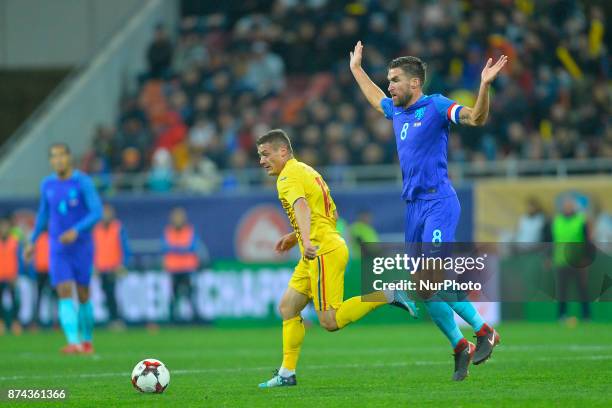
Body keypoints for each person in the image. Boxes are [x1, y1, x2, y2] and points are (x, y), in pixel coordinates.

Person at [350, 41, 504, 380]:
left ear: (414, 83)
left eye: (394, 80)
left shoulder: (435, 107)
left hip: (439, 203)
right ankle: (459, 345)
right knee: (423, 287)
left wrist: (484, 86)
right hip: (413, 208)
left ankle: (483, 331)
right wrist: (356, 70)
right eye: (388, 81)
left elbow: (476, 119)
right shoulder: (397, 110)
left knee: (429, 278)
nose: (389, 86)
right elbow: (376, 100)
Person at [256, 129, 415, 388]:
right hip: (320, 247)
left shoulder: (287, 177)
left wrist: (305, 241)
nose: (262, 161)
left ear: (282, 151)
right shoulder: (307, 171)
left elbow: (302, 207)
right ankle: (287, 373)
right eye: (260, 156)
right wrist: (295, 236)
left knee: (329, 321)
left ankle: (386, 295)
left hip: (321, 251)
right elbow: (325, 215)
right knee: (288, 307)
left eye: (265, 154)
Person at [24, 143, 103, 354]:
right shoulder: (47, 184)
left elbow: (97, 212)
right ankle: (73, 342)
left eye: (61, 155)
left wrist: (76, 230)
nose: (58, 160)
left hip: (82, 246)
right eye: (54, 156)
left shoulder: (83, 182)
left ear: (69, 157)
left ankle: (87, 341)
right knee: (63, 291)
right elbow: (43, 215)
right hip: (58, 246)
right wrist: (32, 241)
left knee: (83, 293)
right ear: (50, 161)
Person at [552, 195, 591, 322]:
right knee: (562, 291)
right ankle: (562, 315)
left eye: (570, 206)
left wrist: (586, 258)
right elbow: (551, 240)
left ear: (574, 207)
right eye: (565, 206)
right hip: (561, 261)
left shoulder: (581, 220)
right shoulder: (557, 221)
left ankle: (586, 316)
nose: (567, 208)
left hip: (577, 261)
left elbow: (587, 241)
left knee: (582, 289)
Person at [93, 203, 130, 328]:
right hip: (101, 267)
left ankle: (116, 319)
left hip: (114, 268)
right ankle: (111, 318)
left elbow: (125, 248)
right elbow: (92, 249)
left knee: (114, 294)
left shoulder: (118, 228)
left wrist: (123, 264)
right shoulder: (96, 229)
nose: (106, 215)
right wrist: (93, 265)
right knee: (106, 294)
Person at [162, 207, 199, 322]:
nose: (178, 219)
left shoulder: (189, 231)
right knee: (174, 295)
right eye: (176, 217)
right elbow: (164, 247)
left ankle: (195, 317)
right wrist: (182, 249)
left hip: (187, 267)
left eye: (180, 217)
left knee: (190, 294)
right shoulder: (168, 231)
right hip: (173, 268)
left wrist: (176, 248)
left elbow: (193, 247)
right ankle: (172, 318)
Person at [0, 215, 22, 335]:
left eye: (5, 226)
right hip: (0, 275)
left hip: (11, 276)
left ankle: (15, 322)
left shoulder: (14, 241)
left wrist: (17, 274)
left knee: (15, 301)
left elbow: (19, 259)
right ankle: (2, 323)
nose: (3, 228)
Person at [32, 229, 53, 327]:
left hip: (51, 270)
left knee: (54, 297)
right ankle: (37, 320)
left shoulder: (53, 236)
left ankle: (54, 320)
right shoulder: (37, 237)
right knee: (39, 296)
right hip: (40, 270)